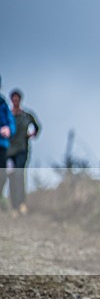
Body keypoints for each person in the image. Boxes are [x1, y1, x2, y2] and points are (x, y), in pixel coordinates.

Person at [7, 89, 41, 215]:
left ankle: (21, 204)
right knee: (11, 177)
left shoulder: (27, 116)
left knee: (19, 175)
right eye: (13, 99)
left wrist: (32, 134)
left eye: (17, 99)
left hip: (22, 150)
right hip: (9, 152)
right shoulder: (7, 116)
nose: (15, 101)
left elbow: (37, 127)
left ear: (20, 100)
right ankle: (14, 206)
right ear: (11, 100)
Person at [0, 76, 17, 211]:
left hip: (2, 144)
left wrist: (9, 129)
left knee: (3, 173)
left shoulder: (3, 104)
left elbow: (12, 123)